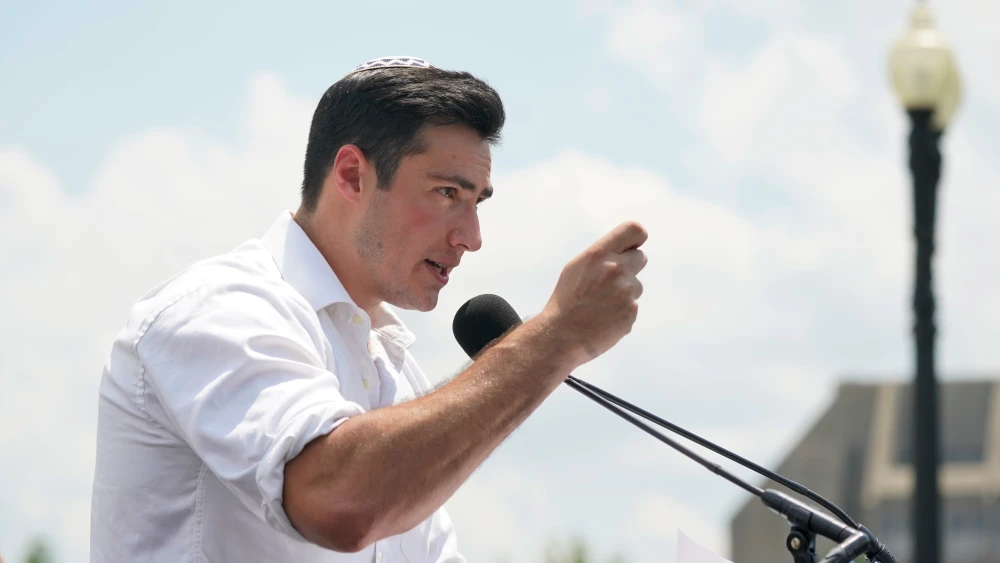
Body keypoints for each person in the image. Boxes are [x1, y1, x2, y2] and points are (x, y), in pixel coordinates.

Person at [89, 56, 647, 562]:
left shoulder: (397, 374)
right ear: (352, 175)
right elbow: (341, 503)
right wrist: (556, 337)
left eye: (477, 201)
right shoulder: (217, 309)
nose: (472, 237)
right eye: (447, 193)